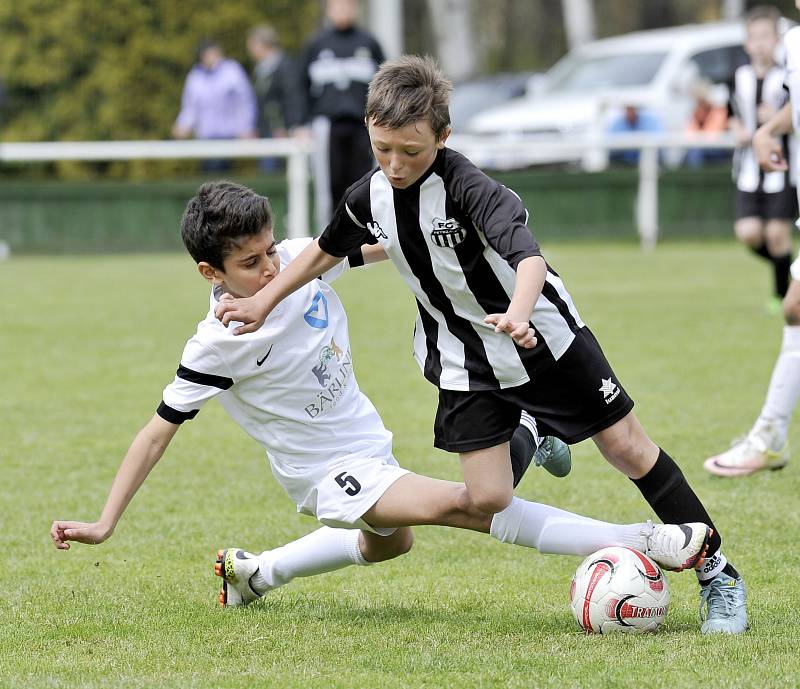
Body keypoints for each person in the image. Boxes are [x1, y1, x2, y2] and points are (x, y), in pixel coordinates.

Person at [212, 56, 748, 634]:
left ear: (443, 136)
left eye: (411, 151)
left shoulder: (473, 189)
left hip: (544, 339)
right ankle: (533, 432)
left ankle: (719, 575)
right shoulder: (368, 196)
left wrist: (518, 315)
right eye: (382, 147)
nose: (394, 164)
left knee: (627, 449)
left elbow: (529, 259)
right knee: (488, 497)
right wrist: (263, 302)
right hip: (464, 358)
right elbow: (326, 249)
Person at [49, 181, 708, 610]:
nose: (271, 269)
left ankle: (257, 572)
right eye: (250, 264)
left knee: (391, 544)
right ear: (209, 272)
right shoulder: (215, 345)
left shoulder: (297, 259)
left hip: (368, 439)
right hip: (325, 474)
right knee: (471, 504)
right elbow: (156, 429)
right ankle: (647, 538)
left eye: (269, 251)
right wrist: (106, 521)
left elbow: (387, 246)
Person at [705, 10, 800, 477]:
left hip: (783, 181)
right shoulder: (796, 44)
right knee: (795, 306)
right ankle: (770, 436)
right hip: (766, 172)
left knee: (794, 305)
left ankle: (769, 437)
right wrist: (765, 131)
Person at [728, 5, 795, 314]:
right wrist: (739, 129)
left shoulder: (788, 75)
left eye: (766, 36)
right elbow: (730, 114)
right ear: (746, 43)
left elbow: (794, 111)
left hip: (782, 168)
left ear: (776, 39)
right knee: (749, 233)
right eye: (754, 38)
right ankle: (791, 272)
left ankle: (782, 294)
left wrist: (775, 120)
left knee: (777, 235)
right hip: (749, 170)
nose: (760, 44)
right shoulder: (737, 77)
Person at [296, 0, 385, 231]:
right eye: (337, 6)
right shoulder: (316, 44)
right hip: (327, 125)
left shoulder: (369, 42)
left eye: (347, 6)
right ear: (328, 10)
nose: (342, 11)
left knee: (366, 181)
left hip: (363, 124)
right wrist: (302, 122)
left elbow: (386, 82)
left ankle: (367, 236)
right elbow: (300, 86)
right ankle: (328, 242)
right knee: (329, 185)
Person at [173, 39, 257, 172]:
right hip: (205, 136)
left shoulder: (232, 70)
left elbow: (244, 101)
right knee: (209, 174)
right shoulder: (195, 76)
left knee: (223, 176)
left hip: (228, 134)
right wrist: (183, 125)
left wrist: (246, 127)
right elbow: (190, 106)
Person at [246, 25, 303, 172]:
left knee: (276, 171)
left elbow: (291, 99)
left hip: (280, 131)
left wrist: (287, 126)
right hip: (266, 130)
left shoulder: (285, 67)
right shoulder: (260, 70)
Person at [684, 79, 730, 167]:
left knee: (695, 154)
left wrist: (697, 137)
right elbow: (689, 134)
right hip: (701, 147)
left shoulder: (719, 110)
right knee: (690, 154)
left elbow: (713, 134)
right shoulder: (696, 112)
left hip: (717, 149)